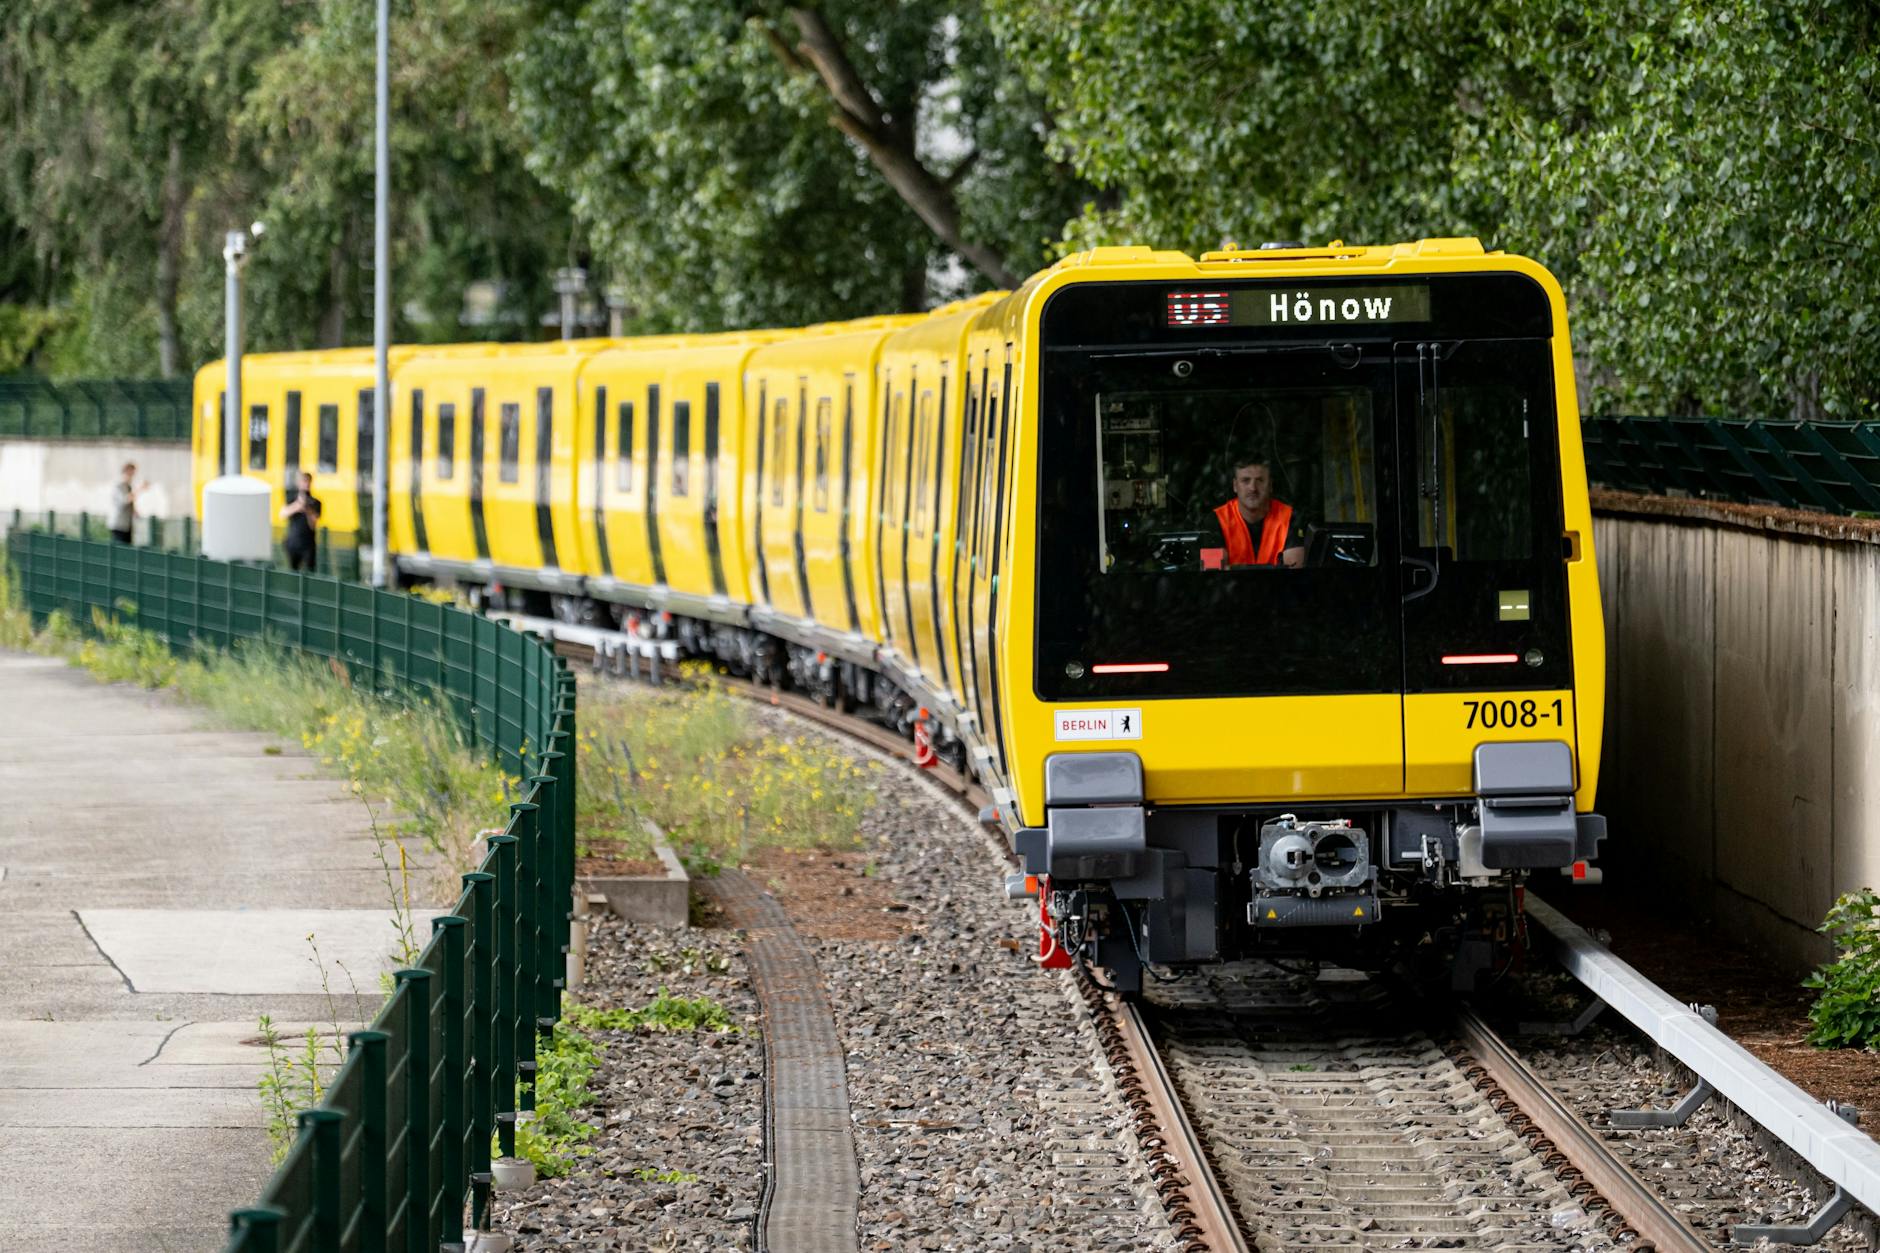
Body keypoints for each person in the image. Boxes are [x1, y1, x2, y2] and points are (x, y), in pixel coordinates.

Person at [1210, 454, 1306, 567]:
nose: (1253, 488)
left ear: (1270, 485)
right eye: (1245, 480)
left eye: (1260, 480)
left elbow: (1296, 574)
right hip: (1231, 584)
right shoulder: (1215, 519)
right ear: (1235, 486)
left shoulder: (1291, 517)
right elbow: (1212, 573)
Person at [281, 470, 322, 571]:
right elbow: (282, 514)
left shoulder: (315, 502)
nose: (306, 484)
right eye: (304, 481)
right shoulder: (292, 499)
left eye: (308, 481)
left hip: (308, 545)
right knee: (292, 572)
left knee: (310, 572)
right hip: (293, 543)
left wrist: (307, 509)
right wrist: (298, 505)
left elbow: (313, 524)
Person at [109, 462, 144, 544]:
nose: (133, 476)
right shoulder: (119, 486)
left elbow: (130, 502)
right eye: (131, 473)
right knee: (120, 548)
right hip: (119, 525)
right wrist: (140, 489)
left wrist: (135, 511)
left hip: (127, 524)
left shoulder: (129, 486)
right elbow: (125, 500)